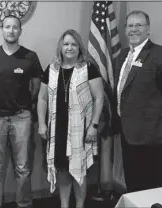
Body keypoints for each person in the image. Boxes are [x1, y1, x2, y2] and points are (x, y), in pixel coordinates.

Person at [111, 10, 162, 193]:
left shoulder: (161, 55)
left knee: (150, 189)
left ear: (148, 30)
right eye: (130, 25)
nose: (133, 29)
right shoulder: (123, 55)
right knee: (133, 185)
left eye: (139, 25)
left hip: (152, 136)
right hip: (128, 134)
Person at [0, 15, 43, 208]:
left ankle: (24, 203)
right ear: (2, 29)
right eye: (7, 27)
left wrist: (21, 103)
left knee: (23, 167)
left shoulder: (30, 57)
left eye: (15, 27)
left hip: (22, 117)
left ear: (20, 31)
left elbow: (35, 87)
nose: (11, 30)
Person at [37, 29, 104, 208]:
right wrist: (42, 124)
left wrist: (94, 126)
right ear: (60, 47)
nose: (69, 47)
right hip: (57, 129)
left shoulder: (88, 69)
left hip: (80, 129)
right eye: (66, 44)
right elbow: (42, 99)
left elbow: (99, 98)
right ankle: (65, 205)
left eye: (74, 44)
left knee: (79, 170)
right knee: (62, 170)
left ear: (79, 48)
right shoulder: (51, 69)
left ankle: (80, 205)